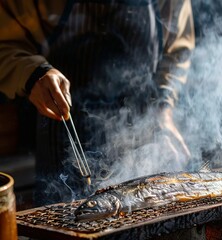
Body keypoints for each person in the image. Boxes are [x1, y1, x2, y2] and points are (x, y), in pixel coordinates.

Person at [0, 0, 195, 205]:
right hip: (62, 133)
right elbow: (4, 45)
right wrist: (32, 73)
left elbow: (177, 49)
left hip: (140, 135)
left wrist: (163, 108)